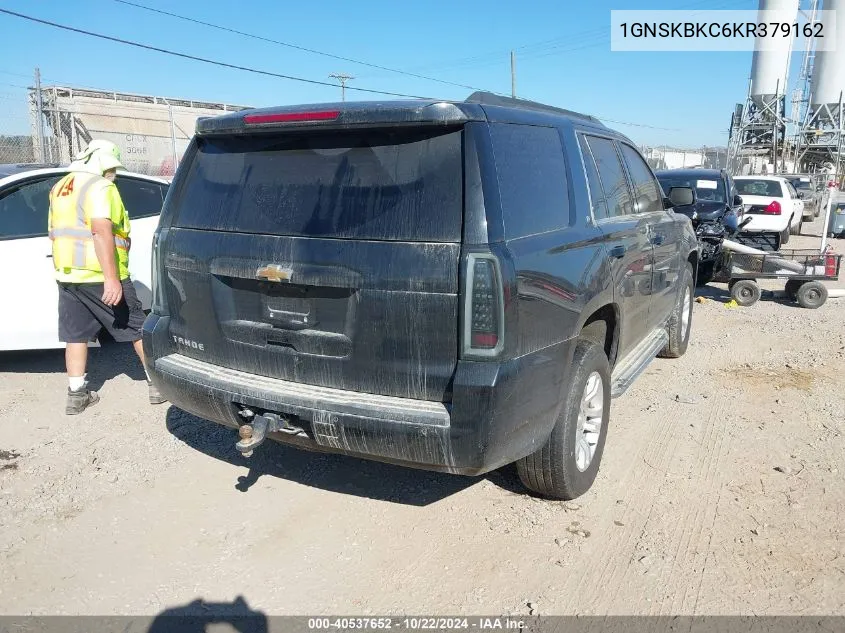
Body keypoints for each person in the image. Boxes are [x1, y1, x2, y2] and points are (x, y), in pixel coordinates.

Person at [48, 139, 165, 414]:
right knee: (137, 327)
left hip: (69, 276)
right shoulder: (100, 186)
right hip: (100, 273)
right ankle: (157, 385)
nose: (114, 173)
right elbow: (101, 230)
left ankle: (76, 395)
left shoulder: (61, 187)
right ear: (102, 161)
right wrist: (112, 278)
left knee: (75, 335)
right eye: (112, 166)